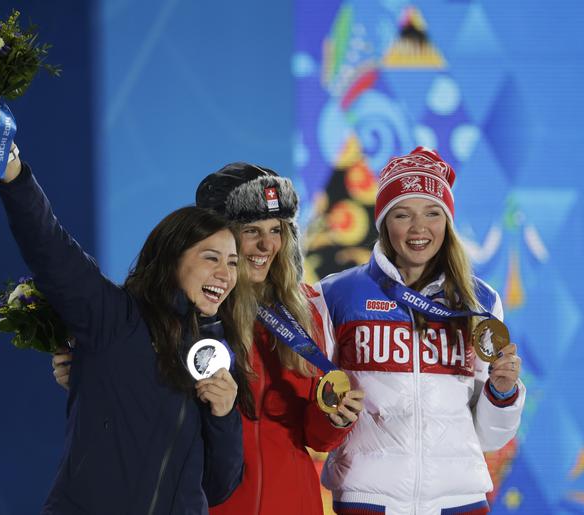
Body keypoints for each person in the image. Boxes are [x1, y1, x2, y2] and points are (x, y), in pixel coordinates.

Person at [53, 162, 365, 514]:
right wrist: (94, 370)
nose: (267, 244)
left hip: (293, 503)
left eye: (276, 229)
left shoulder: (303, 310)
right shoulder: (182, 314)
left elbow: (312, 437)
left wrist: (333, 416)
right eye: (251, 230)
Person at [0, 106, 255, 514]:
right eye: (211, 258)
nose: (226, 273)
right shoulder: (114, 317)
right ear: (172, 257)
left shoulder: (214, 350)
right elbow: (50, 247)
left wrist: (223, 415)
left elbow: (217, 487)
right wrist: (13, 174)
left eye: (233, 262)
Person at [311, 147, 526, 515]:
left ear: (447, 222)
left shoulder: (480, 302)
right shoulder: (336, 295)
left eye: (432, 213)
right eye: (402, 214)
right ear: (383, 222)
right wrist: (332, 411)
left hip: (460, 502)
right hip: (369, 502)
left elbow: (491, 436)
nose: (418, 228)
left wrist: (502, 392)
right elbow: (315, 412)